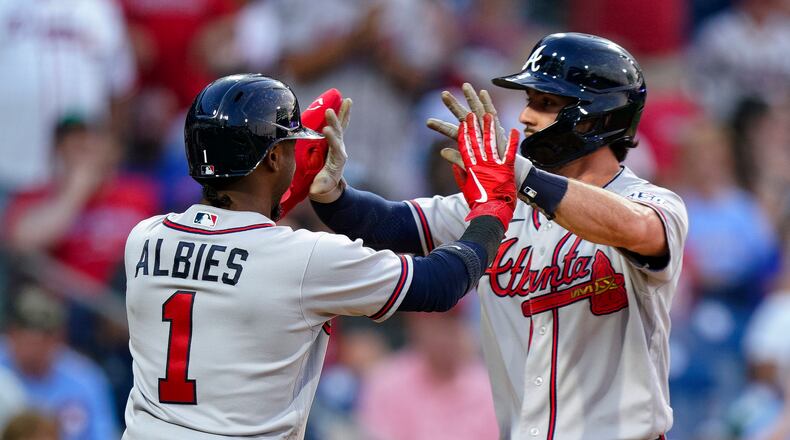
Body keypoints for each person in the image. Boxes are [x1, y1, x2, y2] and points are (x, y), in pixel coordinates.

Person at [310, 33, 688, 440]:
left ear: (594, 117)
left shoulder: (648, 202)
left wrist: (521, 176)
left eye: (545, 104)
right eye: (529, 102)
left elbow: (635, 228)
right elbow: (391, 225)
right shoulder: (500, 200)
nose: (525, 118)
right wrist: (334, 194)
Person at [121, 73, 518, 439]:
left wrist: (313, 195)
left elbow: (231, 238)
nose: (298, 153)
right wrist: (493, 205)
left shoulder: (143, 238)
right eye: (291, 145)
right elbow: (442, 283)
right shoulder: (303, 258)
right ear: (274, 159)